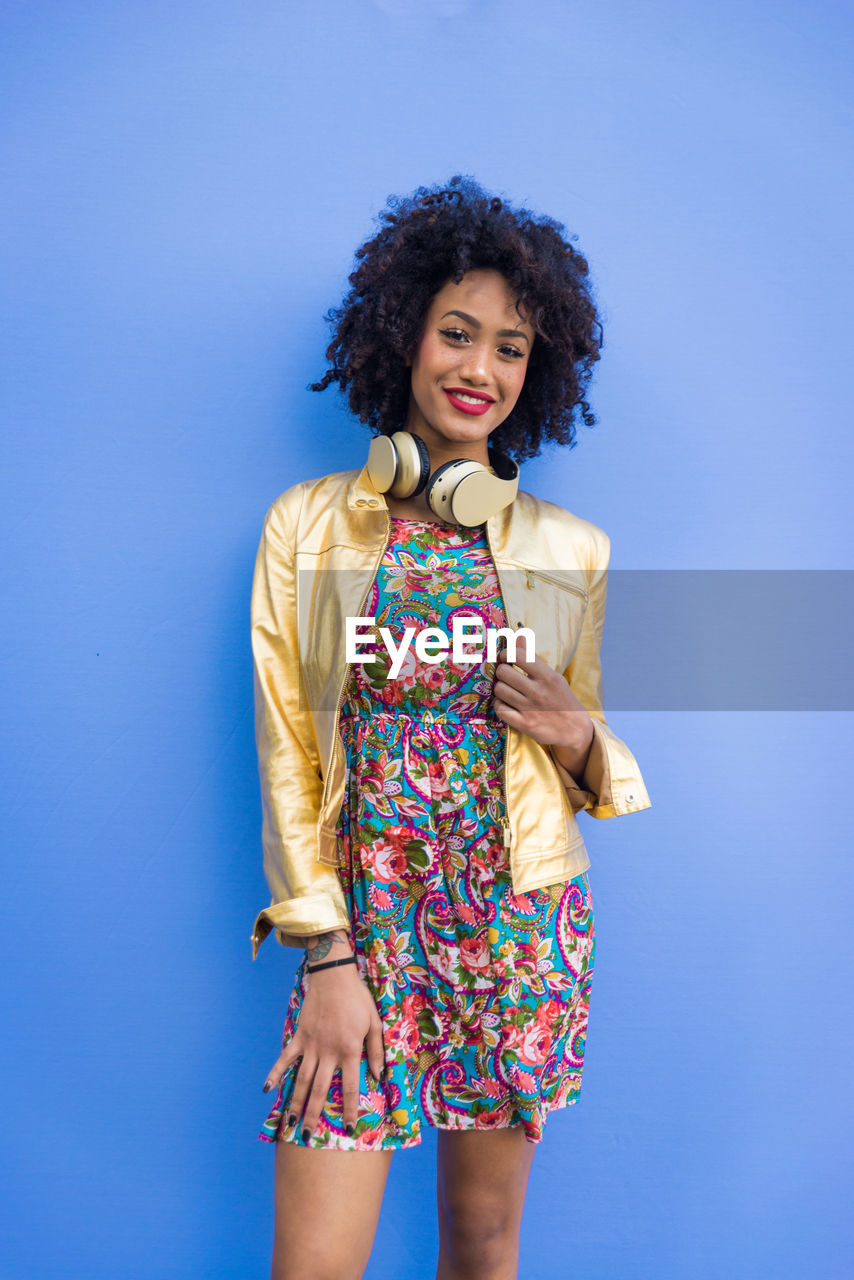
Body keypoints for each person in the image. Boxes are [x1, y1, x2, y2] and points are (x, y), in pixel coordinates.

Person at [249, 175, 651, 1280]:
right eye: (457, 333)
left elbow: (593, 760)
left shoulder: (570, 549)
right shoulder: (310, 525)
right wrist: (326, 951)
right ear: (404, 339)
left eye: (510, 347)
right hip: (364, 929)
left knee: (481, 1245)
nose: (480, 369)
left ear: (538, 371)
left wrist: (575, 736)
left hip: (514, 926)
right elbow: (289, 742)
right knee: (315, 1262)